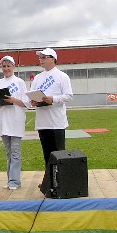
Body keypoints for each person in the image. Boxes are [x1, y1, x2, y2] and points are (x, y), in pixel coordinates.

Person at [30, 48, 73, 185]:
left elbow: (68, 96)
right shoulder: (37, 77)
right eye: (40, 57)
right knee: (47, 155)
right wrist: (34, 101)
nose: (40, 59)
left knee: (59, 154)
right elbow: (32, 94)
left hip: (57, 122)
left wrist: (53, 99)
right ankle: (49, 182)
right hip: (43, 122)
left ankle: (60, 182)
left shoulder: (62, 76)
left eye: (43, 57)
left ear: (53, 58)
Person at [0, 55, 30, 190]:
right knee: (9, 153)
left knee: (15, 152)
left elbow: (26, 102)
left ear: (13, 67)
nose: (6, 68)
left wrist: (13, 100)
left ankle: (15, 181)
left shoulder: (19, 82)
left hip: (16, 120)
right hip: (3, 120)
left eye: (9, 66)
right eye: (4, 66)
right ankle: (10, 180)